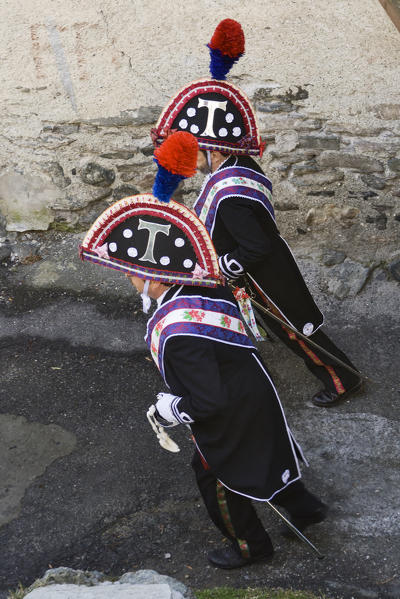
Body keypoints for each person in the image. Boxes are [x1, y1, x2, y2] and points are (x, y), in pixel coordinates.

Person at [80, 131, 327, 569]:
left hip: (230, 404)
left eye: (133, 274)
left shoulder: (176, 331)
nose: (130, 281)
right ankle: (306, 510)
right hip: (254, 390)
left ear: (153, 275)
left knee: (214, 475)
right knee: (265, 452)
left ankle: (251, 546)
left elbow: (206, 401)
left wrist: (171, 408)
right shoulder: (199, 289)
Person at [152, 18, 362, 407]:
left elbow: (255, 247)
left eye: (197, 150)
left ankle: (342, 379)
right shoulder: (238, 167)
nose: (193, 157)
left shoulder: (230, 192)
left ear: (212, 149)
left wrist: (225, 264)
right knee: (288, 329)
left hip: (265, 277)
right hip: (260, 272)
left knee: (296, 331)